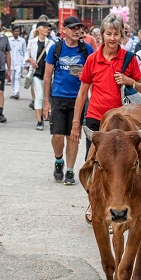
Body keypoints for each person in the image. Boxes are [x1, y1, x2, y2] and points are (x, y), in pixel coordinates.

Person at [70, 14, 141, 223]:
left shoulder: (129, 58)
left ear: (122, 35)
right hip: (95, 119)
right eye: (108, 33)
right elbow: (83, 92)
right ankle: (94, 203)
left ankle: (119, 202)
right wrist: (77, 122)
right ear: (102, 35)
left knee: (118, 167)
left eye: (116, 34)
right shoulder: (93, 59)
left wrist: (129, 80)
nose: (112, 38)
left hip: (120, 121)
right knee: (92, 163)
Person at [43, 16, 94, 184]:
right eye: (73, 28)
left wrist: (85, 76)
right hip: (58, 97)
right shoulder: (55, 48)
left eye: (79, 28)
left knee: (74, 135)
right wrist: (46, 102)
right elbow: (47, 76)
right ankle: (59, 161)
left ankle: (70, 171)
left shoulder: (86, 50)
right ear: (64, 30)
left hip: (78, 98)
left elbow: (95, 74)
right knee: (57, 135)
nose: (76, 31)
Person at [25, 21, 55, 128]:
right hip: (36, 73)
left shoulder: (51, 43)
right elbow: (26, 55)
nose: (47, 29)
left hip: (47, 73)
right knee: (39, 96)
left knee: (47, 95)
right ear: (38, 29)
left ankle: (46, 114)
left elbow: (54, 58)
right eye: (44, 27)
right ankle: (39, 120)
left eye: (48, 28)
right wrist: (30, 60)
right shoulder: (32, 42)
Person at [8, 26, 26, 100]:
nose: (16, 33)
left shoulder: (22, 41)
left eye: (18, 31)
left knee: (17, 77)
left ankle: (17, 92)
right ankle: (13, 92)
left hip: (19, 61)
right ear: (12, 32)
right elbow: (7, 52)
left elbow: (24, 51)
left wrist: (24, 62)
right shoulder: (9, 40)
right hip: (11, 61)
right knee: (12, 78)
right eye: (15, 31)